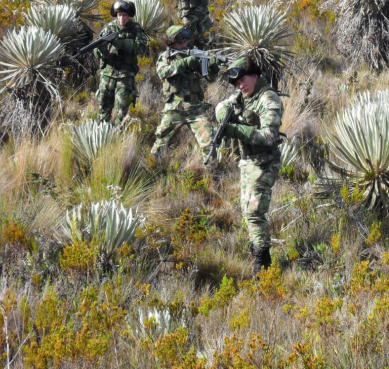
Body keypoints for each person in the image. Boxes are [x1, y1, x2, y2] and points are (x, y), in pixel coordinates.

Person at [214, 56, 284, 275]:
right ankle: (257, 248)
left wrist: (235, 130)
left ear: (255, 75)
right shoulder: (242, 96)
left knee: (254, 212)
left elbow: (269, 137)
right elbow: (222, 107)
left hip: (264, 163)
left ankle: (262, 262)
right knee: (247, 210)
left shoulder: (268, 98)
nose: (240, 86)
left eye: (243, 80)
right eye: (236, 83)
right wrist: (222, 114)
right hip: (247, 161)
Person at [150, 25, 221, 158]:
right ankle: (152, 166)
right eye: (181, 42)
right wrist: (185, 63)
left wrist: (213, 67)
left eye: (185, 41)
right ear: (171, 42)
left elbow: (209, 78)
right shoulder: (165, 57)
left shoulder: (194, 55)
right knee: (161, 142)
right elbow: (162, 72)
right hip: (174, 108)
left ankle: (211, 171)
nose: (184, 44)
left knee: (209, 143)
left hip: (195, 108)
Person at [94, 1, 149, 126]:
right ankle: (102, 134)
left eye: (124, 15)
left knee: (122, 109)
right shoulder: (109, 28)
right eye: (119, 15)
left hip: (125, 74)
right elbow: (97, 52)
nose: (121, 18)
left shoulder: (136, 29)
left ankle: (119, 138)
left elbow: (141, 48)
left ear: (129, 15)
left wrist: (122, 43)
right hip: (108, 73)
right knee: (103, 107)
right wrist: (101, 49)